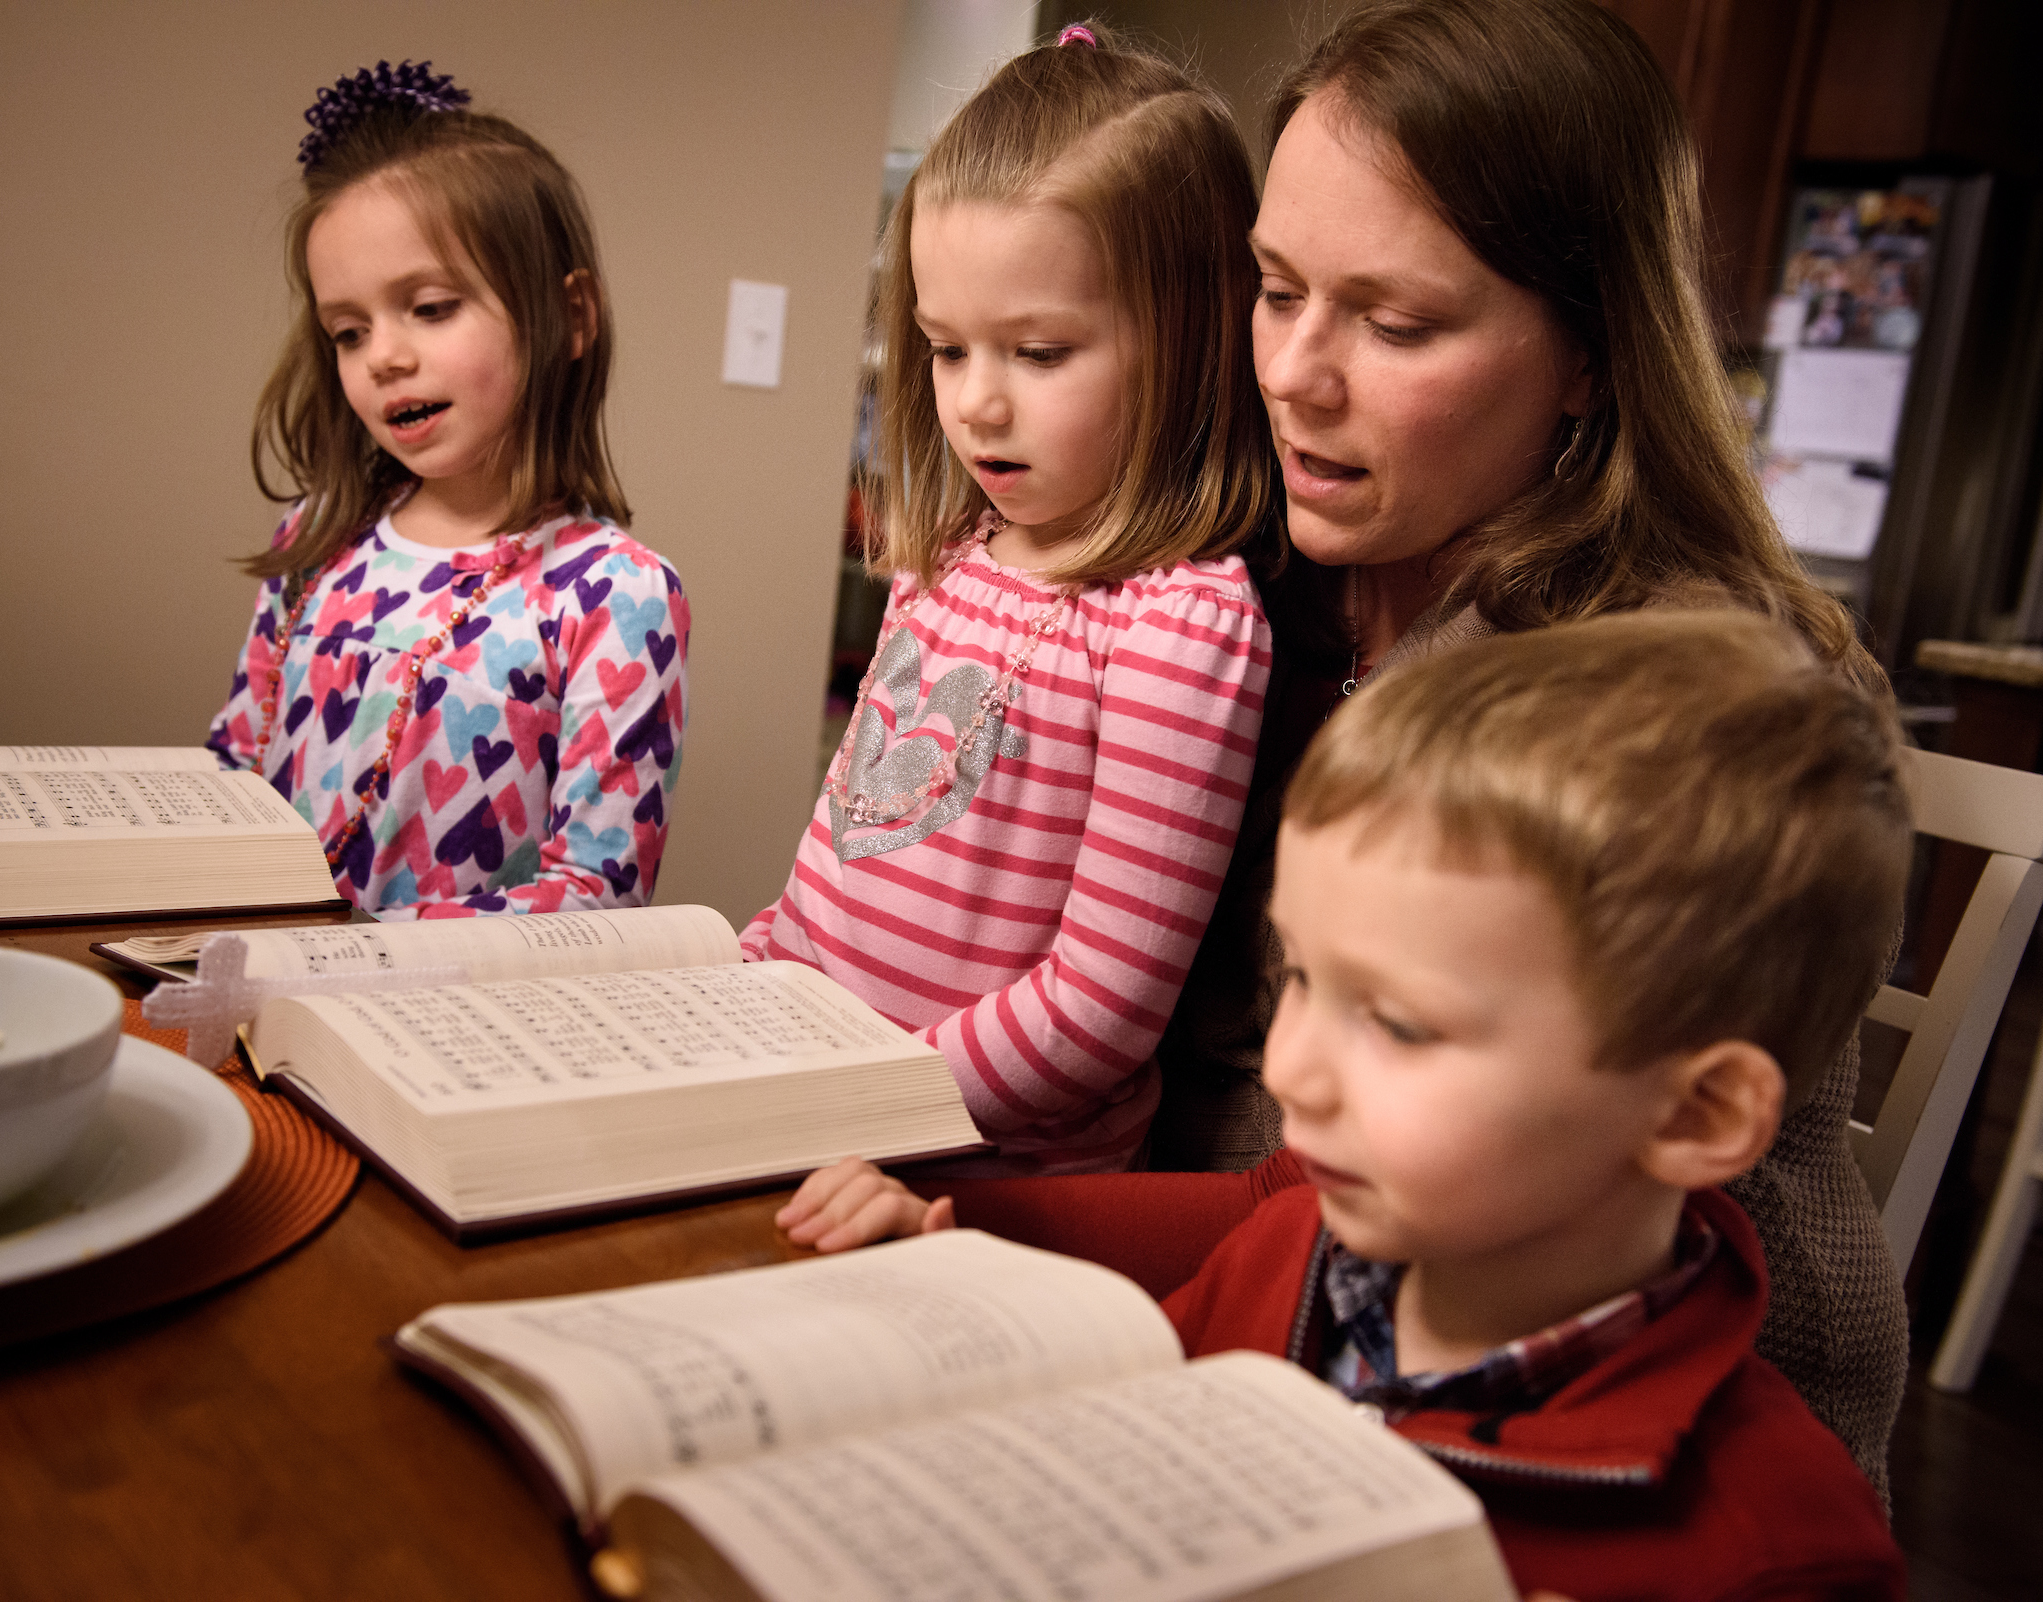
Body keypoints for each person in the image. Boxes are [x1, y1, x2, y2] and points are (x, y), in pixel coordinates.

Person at [1145, 0, 1910, 1495]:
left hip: (1598, 1453)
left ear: (1588, 354)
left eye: (1394, 321)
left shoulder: (1685, 687)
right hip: (1277, 1299)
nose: (1296, 372)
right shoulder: (1272, 590)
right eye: (1276, 287)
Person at [781, 611, 1909, 1602]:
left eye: (1402, 1026)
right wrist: (950, 1243)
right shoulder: (1291, 1254)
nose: (1292, 1075)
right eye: (1307, 982)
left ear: (1695, 1115)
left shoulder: (1772, 1552)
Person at [739, 28, 1277, 1174]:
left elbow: (1099, 1008)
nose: (976, 406)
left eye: (1037, 352)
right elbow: (845, 842)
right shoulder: (947, 554)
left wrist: (870, 1102)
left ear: (1191, 342)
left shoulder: (1180, 625)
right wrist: (755, 969)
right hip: (819, 1106)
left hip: (976, 1176)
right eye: (945, 349)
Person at [206, 61, 686, 920]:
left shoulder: (617, 595)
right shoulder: (313, 540)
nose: (384, 355)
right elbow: (232, 767)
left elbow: (592, 896)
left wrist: (357, 954)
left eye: (428, 307)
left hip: (444, 1036)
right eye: (349, 331)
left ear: (570, 317)